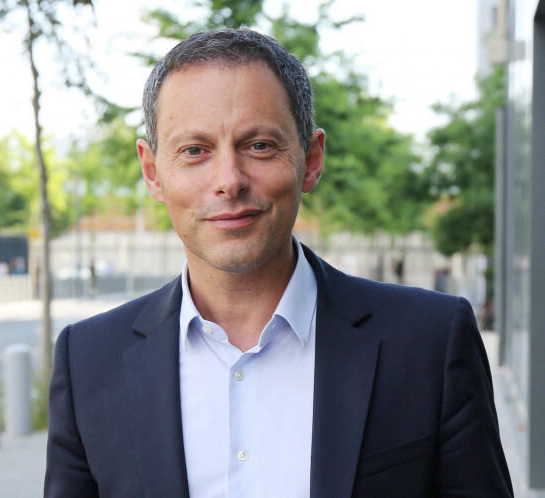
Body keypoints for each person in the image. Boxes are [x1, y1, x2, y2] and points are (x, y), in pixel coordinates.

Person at [45, 28, 513, 497]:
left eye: (259, 145)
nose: (229, 180)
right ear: (153, 172)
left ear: (310, 160)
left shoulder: (430, 342)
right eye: (195, 151)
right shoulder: (88, 362)